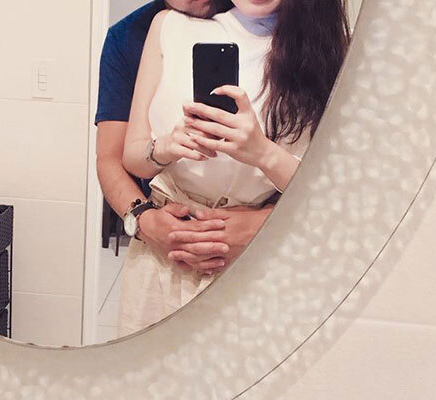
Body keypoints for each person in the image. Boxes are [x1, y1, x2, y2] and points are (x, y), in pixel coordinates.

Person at [118, 0, 351, 336]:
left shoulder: (325, 50)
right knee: (144, 368)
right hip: (161, 263)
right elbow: (132, 156)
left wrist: (263, 153)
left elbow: (332, 197)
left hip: (256, 265)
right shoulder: (168, 27)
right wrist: (165, 148)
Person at [96, 0, 271, 281]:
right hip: (165, 233)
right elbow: (110, 158)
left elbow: (314, 168)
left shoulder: (267, 18)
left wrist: (264, 223)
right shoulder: (131, 36)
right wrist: (145, 221)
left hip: (260, 249)